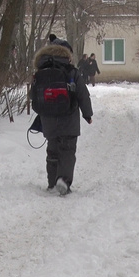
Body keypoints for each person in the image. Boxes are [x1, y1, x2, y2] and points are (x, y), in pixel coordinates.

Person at [33, 44, 93, 195]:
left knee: (52, 151)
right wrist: (87, 114)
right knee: (67, 150)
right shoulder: (72, 71)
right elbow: (82, 94)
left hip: (48, 119)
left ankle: (52, 182)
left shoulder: (40, 72)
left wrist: (43, 111)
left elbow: (33, 96)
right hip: (69, 118)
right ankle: (64, 180)